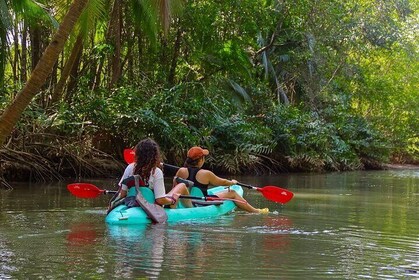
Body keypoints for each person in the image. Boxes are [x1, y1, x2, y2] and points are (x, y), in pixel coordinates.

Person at [175, 146, 269, 213]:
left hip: (185, 202)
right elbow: (222, 182)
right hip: (200, 203)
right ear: (200, 160)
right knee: (232, 193)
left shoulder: (181, 171)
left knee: (207, 192)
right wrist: (232, 182)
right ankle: (256, 211)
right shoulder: (206, 173)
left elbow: (175, 188)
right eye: (203, 157)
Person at [114, 138, 192, 209]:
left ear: (138, 154)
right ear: (155, 155)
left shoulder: (130, 167)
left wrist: (113, 204)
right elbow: (160, 200)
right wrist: (173, 200)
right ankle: (191, 209)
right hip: (152, 207)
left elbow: (122, 193)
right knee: (182, 185)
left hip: (132, 203)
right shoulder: (156, 172)